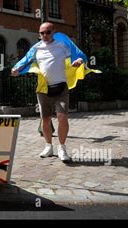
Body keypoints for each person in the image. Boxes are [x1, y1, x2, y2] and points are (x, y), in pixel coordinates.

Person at [11, 22, 87, 163]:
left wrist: (79, 60)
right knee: (45, 120)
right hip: (44, 89)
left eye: (48, 32)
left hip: (61, 88)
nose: (45, 35)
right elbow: (25, 61)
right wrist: (16, 70)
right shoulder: (36, 48)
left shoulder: (63, 45)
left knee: (62, 117)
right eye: (42, 33)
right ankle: (48, 146)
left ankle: (62, 147)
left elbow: (80, 56)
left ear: (54, 32)